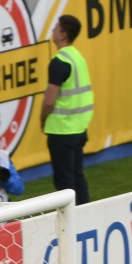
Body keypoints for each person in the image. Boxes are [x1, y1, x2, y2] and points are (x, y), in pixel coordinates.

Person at [41, 13, 93, 204]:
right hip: (79, 128)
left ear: (63, 35)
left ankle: (70, 219)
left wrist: (42, 119)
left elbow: (49, 100)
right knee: (78, 177)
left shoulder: (59, 62)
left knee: (65, 182)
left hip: (62, 131)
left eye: (56, 28)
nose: (53, 30)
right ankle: (85, 213)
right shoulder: (77, 57)